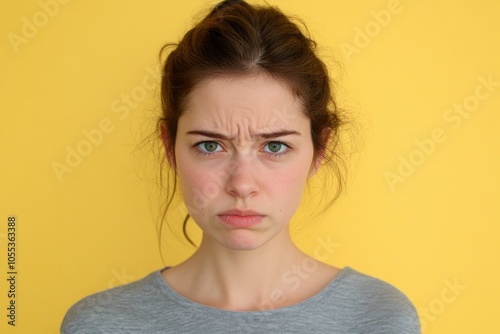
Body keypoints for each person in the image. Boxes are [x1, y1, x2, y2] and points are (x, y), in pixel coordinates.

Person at [61, 1, 421, 333]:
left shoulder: (378, 318)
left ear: (320, 149)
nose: (242, 184)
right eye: (210, 145)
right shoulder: (101, 324)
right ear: (169, 148)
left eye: (275, 146)